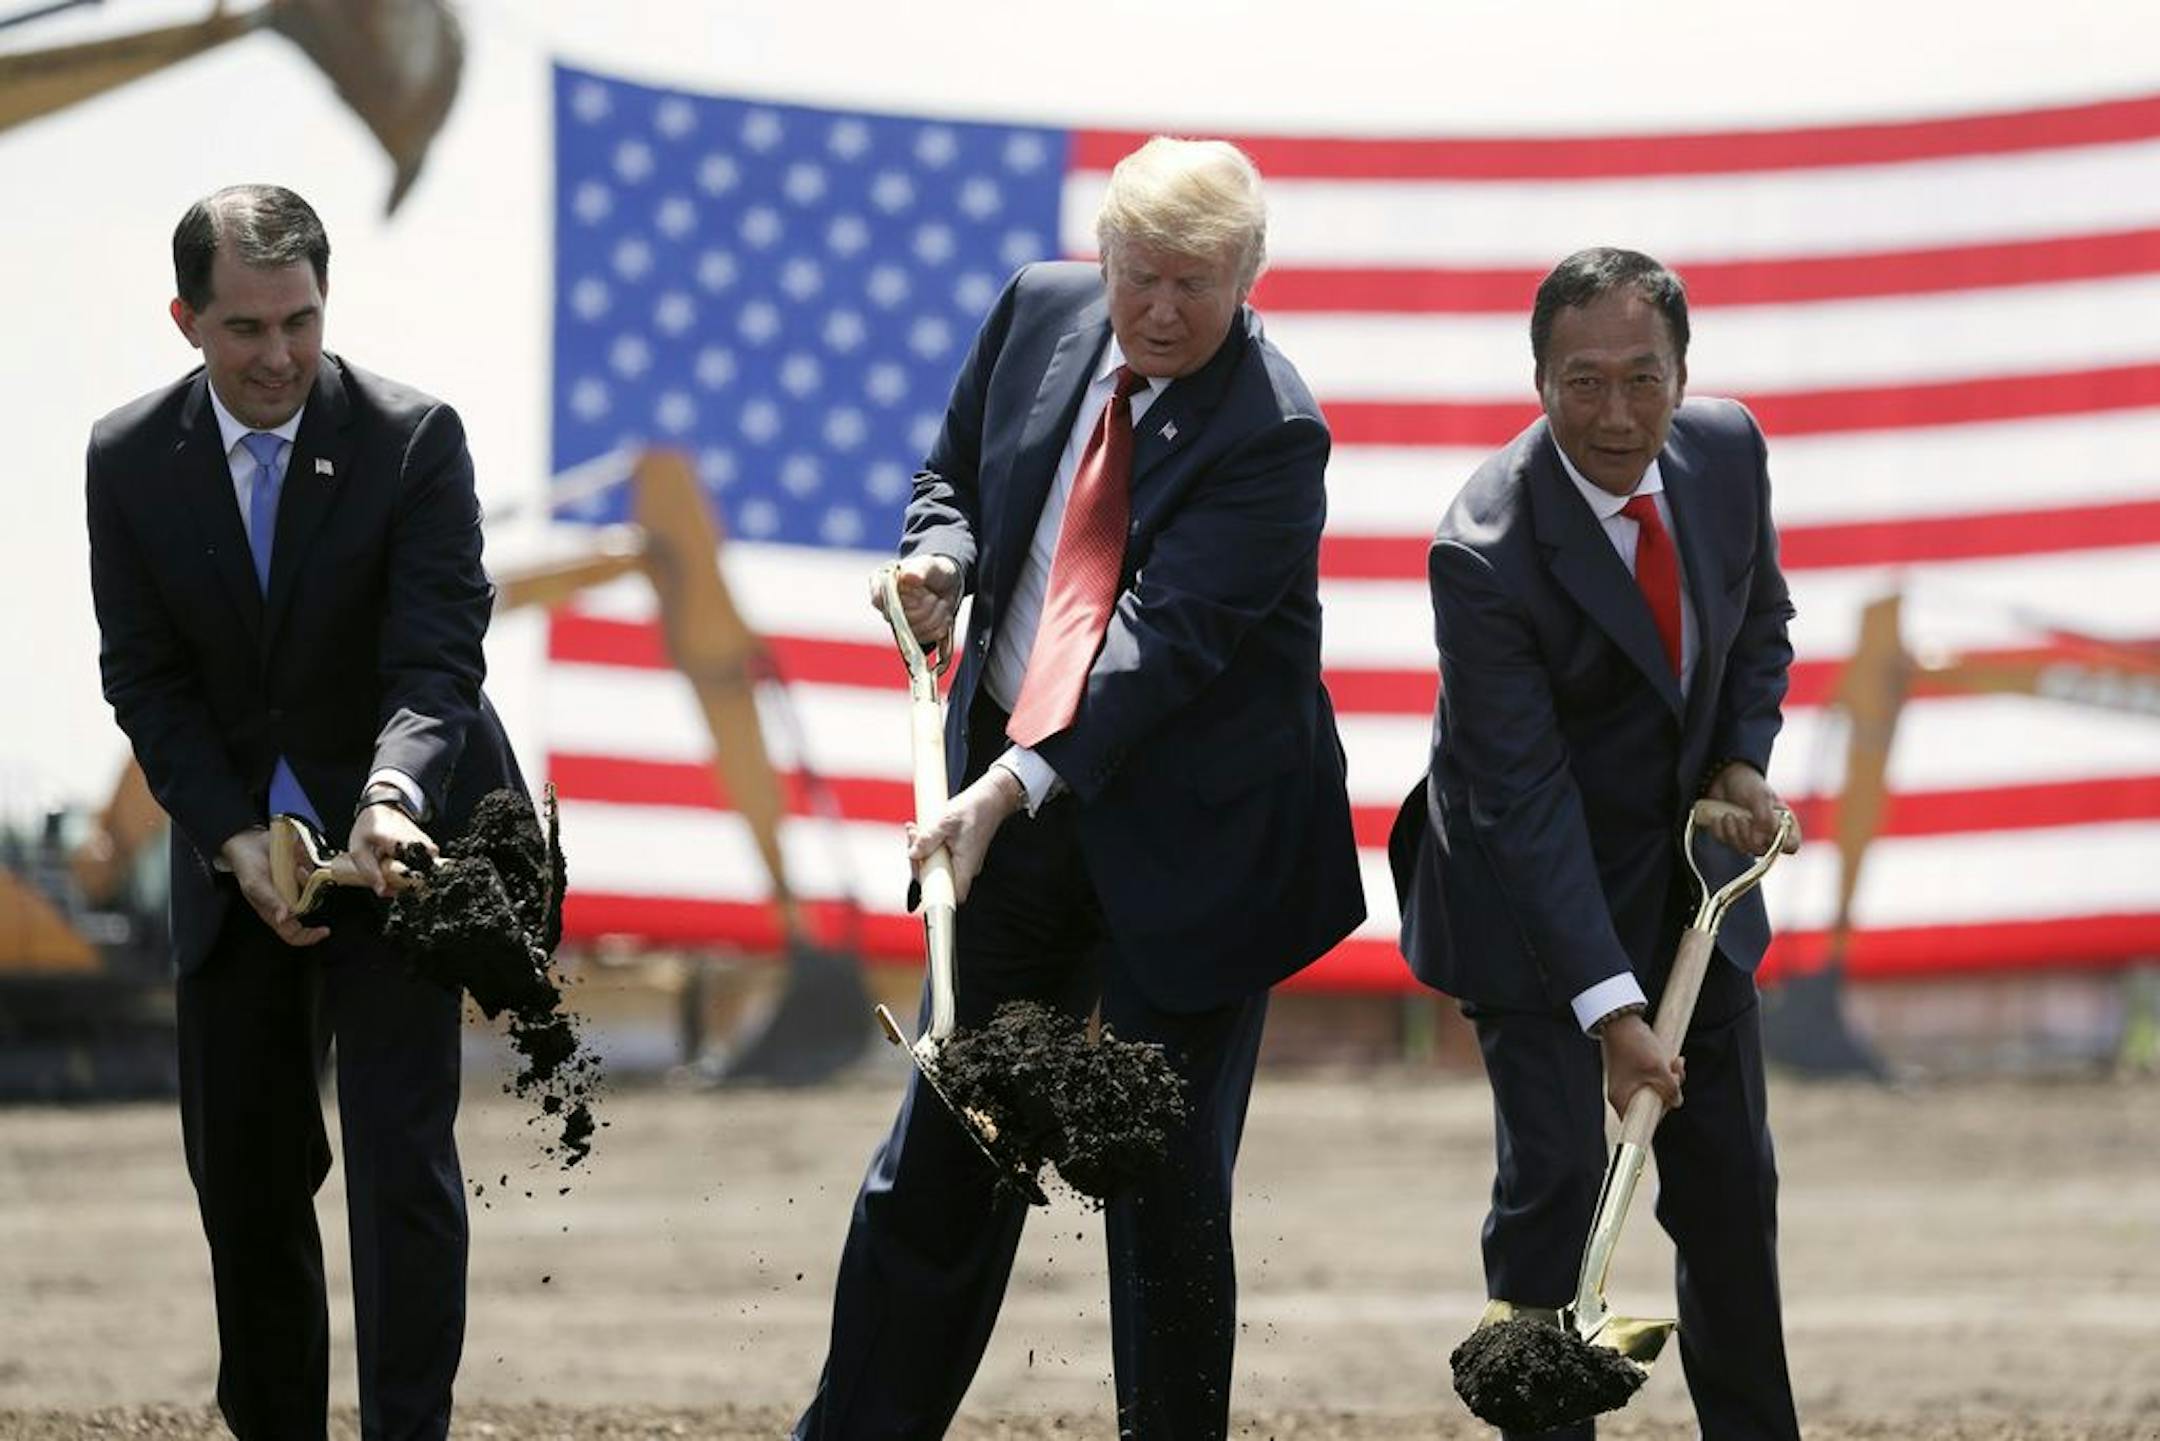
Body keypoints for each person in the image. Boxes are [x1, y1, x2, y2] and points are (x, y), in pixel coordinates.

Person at [795, 137, 1366, 1439]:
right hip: (1019, 832)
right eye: (1141, 275)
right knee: (946, 1147)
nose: (1163, 309)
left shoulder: (1273, 432)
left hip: (1196, 847)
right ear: (1101, 258)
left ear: (1252, 275)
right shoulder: (1037, 310)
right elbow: (951, 471)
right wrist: (936, 558)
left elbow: (1154, 654)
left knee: (1160, 1184)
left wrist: (999, 790)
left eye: (1199, 284)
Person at [85, 184, 524, 1441]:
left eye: (301, 321)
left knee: (402, 1178)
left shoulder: (413, 439)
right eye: (244, 329)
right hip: (235, 872)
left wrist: (391, 800)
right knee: (248, 1182)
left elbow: (437, 658)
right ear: (187, 321)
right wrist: (229, 840)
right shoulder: (127, 459)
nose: (277, 356)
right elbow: (146, 680)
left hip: (393, 858)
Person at [1388, 247, 1805, 1440]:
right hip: (1526, 904)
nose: (1615, 413)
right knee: (1557, 1191)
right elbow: (1520, 798)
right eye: (1582, 382)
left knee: (1731, 1194)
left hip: (1692, 887)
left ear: (1683, 374)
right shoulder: (1484, 550)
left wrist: (1740, 755)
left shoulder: (1726, 456)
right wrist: (1613, 1016)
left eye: (1642, 378)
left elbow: (1760, 618)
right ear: (1537, 381)